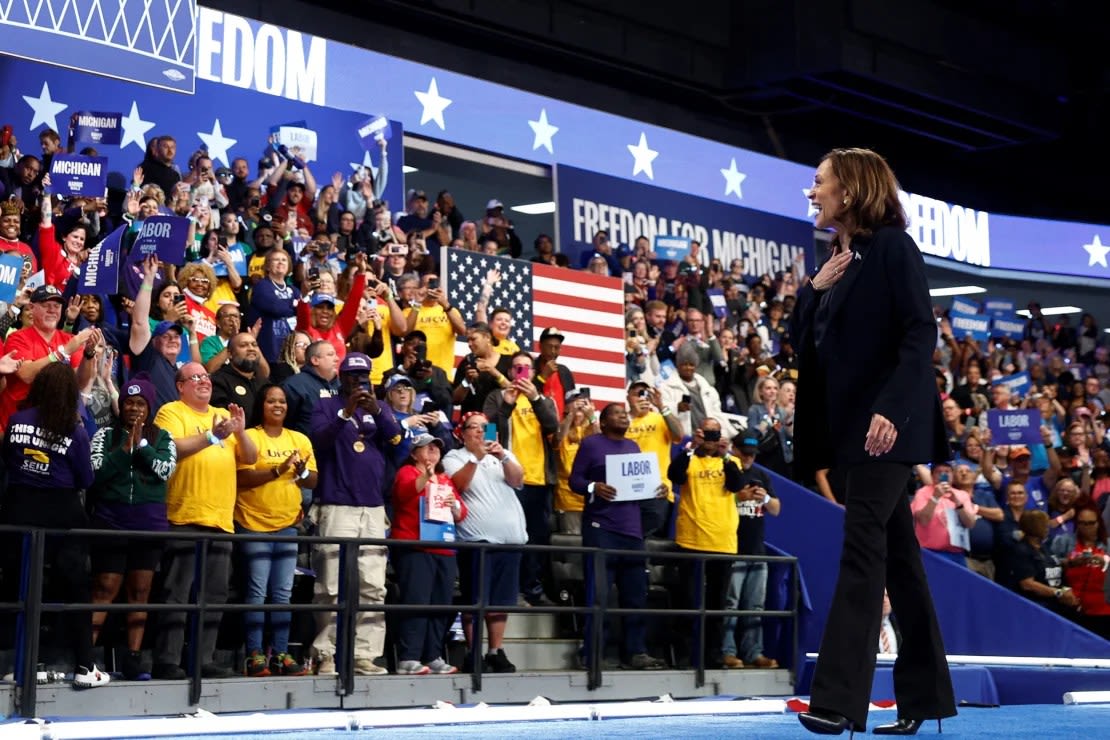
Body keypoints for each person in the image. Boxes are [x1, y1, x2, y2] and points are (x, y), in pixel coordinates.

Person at [792, 148, 956, 735]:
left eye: (819, 183)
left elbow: (920, 331)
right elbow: (801, 344)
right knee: (902, 566)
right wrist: (813, 288)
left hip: (887, 429)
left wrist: (890, 406)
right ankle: (925, 700)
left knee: (862, 554)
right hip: (848, 432)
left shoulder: (892, 247)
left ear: (852, 189)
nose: (812, 193)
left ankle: (836, 700)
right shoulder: (837, 259)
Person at [0, 364, 108, 688]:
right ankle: (85, 668)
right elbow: (87, 478)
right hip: (62, 515)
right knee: (75, 590)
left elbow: (7, 458)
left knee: (21, 590)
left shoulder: (17, 421)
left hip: (18, 510)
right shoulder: (74, 430)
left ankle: (19, 665)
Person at [151, 363, 258, 679]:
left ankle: (202, 658)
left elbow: (250, 458)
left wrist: (239, 431)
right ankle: (166, 660)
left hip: (221, 519)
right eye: (194, 377)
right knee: (176, 592)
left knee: (214, 596)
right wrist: (213, 436)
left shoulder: (223, 414)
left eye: (205, 377)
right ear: (180, 386)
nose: (202, 382)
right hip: (184, 515)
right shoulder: (172, 411)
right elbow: (169, 447)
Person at [308, 352, 403, 675]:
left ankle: (365, 655)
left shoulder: (380, 409)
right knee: (329, 586)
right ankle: (326, 653)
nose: (357, 382)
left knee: (373, 585)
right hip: (335, 503)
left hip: (374, 507)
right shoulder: (325, 405)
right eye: (351, 376)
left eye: (363, 377)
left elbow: (400, 443)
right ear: (341, 377)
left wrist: (376, 409)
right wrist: (346, 413)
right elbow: (318, 442)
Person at [88, 378, 176, 681]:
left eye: (140, 404)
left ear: (149, 408)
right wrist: (125, 449)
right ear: (120, 405)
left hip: (148, 525)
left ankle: (134, 659)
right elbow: (95, 475)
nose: (134, 409)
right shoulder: (105, 435)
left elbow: (165, 469)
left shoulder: (163, 436)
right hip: (111, 521)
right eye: (128, 402)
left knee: (140, 592)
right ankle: (87, 658)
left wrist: (141, 446)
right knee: (104, 589)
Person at [569, 403, 666, 671]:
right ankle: (592, 652)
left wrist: (656, 489)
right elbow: (574, 480)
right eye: (617, 413)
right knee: (598, 596)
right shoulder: (591, 444)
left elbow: (638, 488)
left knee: (636, 596)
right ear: (602, 421)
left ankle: (635, 652)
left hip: (632, 532)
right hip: (601, 529)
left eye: (625, 413)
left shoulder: (634, 447)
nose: (624, 415)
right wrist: (593, 486)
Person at [236, 384, 317, 677]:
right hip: (253, 524)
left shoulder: (300, 439)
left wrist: (301, 472)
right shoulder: (251, 437)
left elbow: (312, 482)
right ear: (262, 405)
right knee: (257, 593)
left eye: (282, 401)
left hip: (287, 527)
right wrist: (277, 471)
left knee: (283, 594)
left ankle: (280, 654)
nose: (278, 405)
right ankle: (254, 655)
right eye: (271, 400)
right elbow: (241, 478)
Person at [442, 412, 528, 673]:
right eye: (474, 427)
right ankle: (473, 651)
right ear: (463, 433)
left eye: (485, 427)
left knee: (502, 601)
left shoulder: (501, 455)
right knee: (475, 598)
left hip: (511, 540)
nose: (481, 432)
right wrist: (477, 456)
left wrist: (501, 455)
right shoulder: (453, 457)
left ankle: (495, 650)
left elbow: (518, 479)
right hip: (477, 540)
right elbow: (460, 485)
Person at [482, 351, 559, 607]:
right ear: (510, 372)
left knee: (537, 540)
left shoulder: (542, 399)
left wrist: (535, 397)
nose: (521, 373)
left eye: (526, 368)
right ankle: (509, 591)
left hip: (538, 480)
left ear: (534, 373)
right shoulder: (496, 396)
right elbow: (489, 431)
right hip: (507, 479)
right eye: (517, 368)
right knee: (509, 538)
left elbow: (552, 426)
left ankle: (534, 590)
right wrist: (507, 404)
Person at [390, 433, 467, 675]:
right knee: (417, 602)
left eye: (436, 448)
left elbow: (461, 513)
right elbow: (404, 493)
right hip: (415, 547)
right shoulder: (407, 473)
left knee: (440, 605)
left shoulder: (445, 479)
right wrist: (427, 476)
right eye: (427, 448)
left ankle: (433, 655)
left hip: (444, 548)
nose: (433, 451)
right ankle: (409, 657)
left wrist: (452, 503)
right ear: (414, 453)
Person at [668, 418, 742, 668]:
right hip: (691, 539)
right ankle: (685, 657)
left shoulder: (731, 461)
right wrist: (690, 447)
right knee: (687, 601)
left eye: (715, 433)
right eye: (706, 433)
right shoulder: (688, 458)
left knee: (717, 606)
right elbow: (674, 475)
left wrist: (725, 455)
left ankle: (713, 657)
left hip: (722, 541)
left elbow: (736, 484)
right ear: (699, 433)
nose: (710, 439)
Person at [721, 435, 781, 669]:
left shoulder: (761, 475)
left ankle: (753, 652)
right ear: (734, 449)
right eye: (744, 452)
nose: (748, 457)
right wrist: (739, 497)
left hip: (757, 550)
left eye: (752, 454)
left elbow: (776, 509)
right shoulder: (726, 470)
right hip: (732, 548)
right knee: (730, 604)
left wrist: (764, 497)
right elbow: (715, 501)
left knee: (754, 606)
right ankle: (727, 651)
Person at [625, 381, 682, 538]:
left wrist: (661, 406)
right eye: (638, 394)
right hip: (627, 491)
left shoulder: (660, 418)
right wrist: (632, 416)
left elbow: (678, 435)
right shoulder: (621, 421)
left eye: (646, 394)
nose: (643, 398)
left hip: (657, 491)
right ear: (628, 397)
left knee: (651, 540)